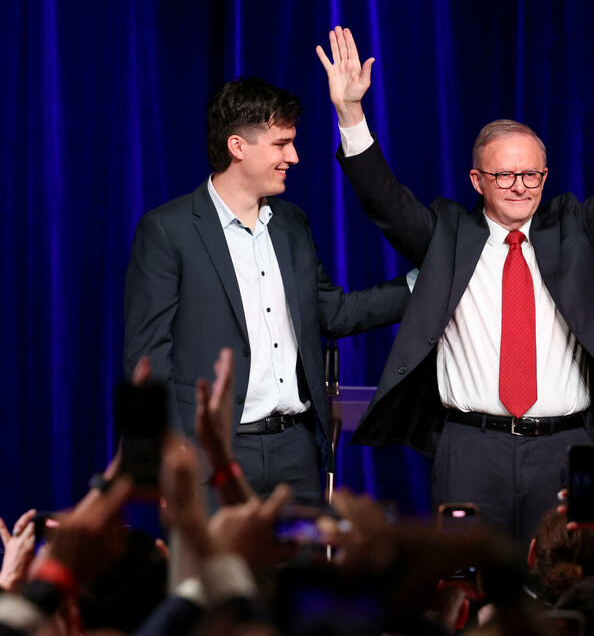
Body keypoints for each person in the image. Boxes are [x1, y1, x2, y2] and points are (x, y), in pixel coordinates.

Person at [316, 10, 594, 544]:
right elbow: (382, 199)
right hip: (469, 449)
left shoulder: (572, 229)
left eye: (532, 174)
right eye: (505, 174)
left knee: (566, 594)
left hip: (566, 449)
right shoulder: (447, 237)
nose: (520, 186)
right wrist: (350, 112)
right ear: (477, 179)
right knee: (469, 594)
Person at [123, 77, 410, 501]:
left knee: (301, 569)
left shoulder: (292, 223)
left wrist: (425, 282)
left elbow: (335, 313)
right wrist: (172, 453)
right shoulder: (168, 231)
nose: (293, 156)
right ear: (238, 146)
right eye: (281, 144)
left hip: (295, 452)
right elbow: (147, 359)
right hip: (212, 457)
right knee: (217, 571)